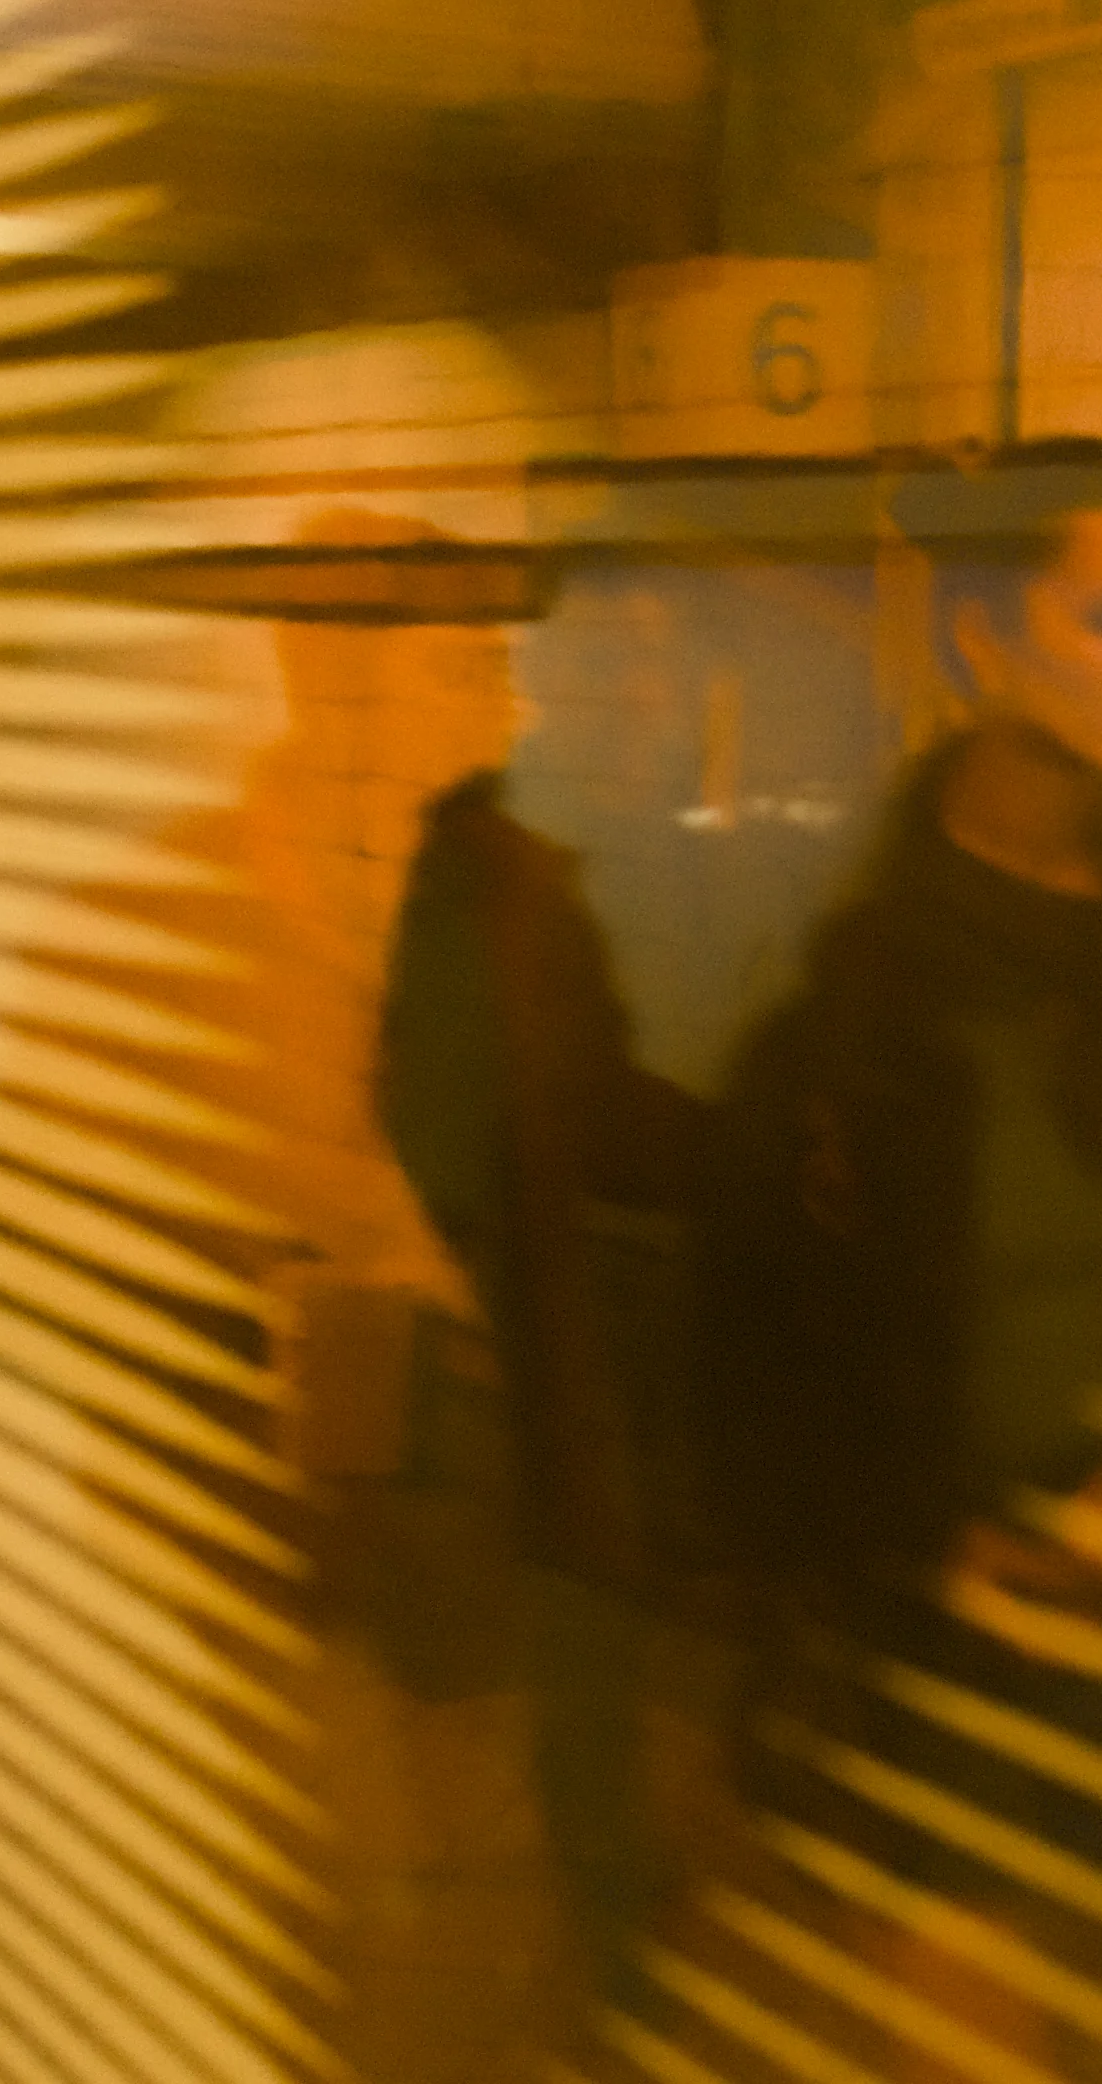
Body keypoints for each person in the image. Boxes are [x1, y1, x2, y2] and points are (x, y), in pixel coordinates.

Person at [695, 436, 1102, 2074]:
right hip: (919, 1620)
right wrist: (923, 1538)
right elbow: (750, 1318)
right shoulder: (830, 933)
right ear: (982, 646)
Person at [372, 548, 711, 2008]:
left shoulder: (703, 845)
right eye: (608, 662)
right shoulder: (482, 855)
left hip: (703, 1300)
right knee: (585, 1614)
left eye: (661, 663)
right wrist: (499, 1253)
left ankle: (660, 1854)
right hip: (573, 1304)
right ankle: (611, 1918)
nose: (641, 693)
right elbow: (424, 1090)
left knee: (679, 1606)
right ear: (548, 683)